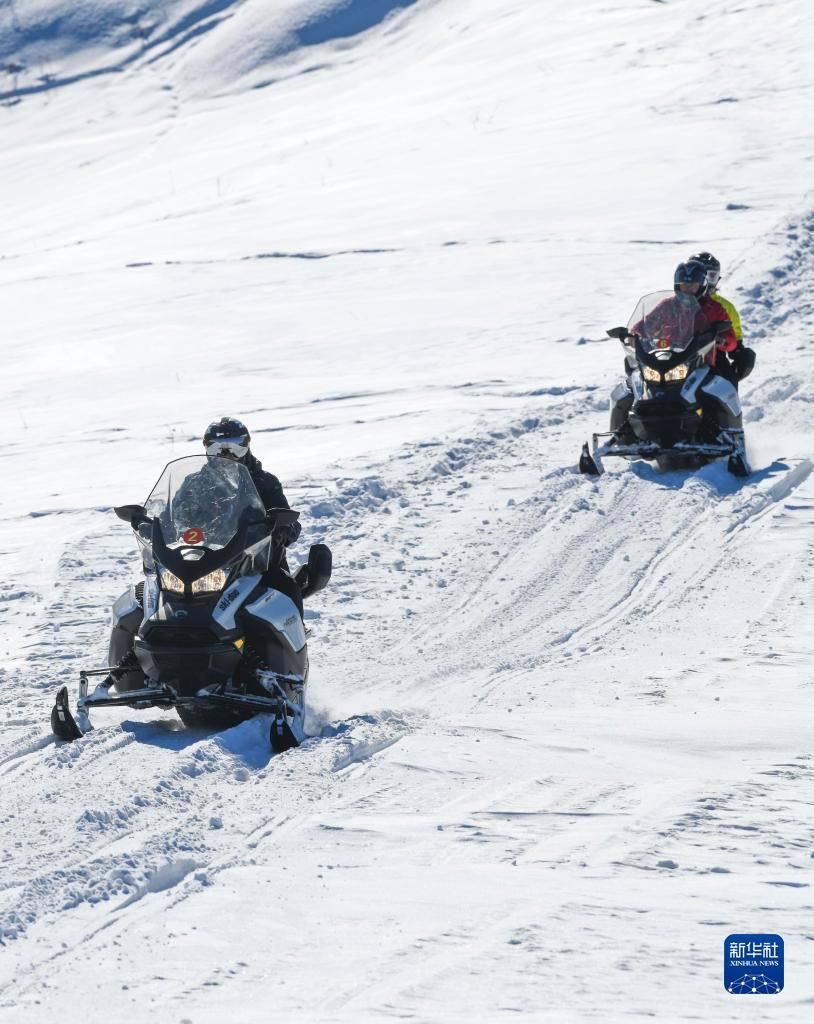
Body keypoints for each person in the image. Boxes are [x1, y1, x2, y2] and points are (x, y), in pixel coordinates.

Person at [203, 416, 304, 615]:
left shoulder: (265, 482)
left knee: (285, 587)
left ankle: (294, 639)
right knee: (154, 590)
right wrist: (151, 523)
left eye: (234, 447)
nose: (225, 454)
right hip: (204, 558)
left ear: (246, 446)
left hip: (256, 561)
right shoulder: (195, 483)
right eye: (216, 447)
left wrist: (283, 528)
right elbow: (173, 514)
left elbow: (290, 521)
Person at [688, 251, 755, 383]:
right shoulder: (675, 303)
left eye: (711, 276)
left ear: (717, 279)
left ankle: (727, 402)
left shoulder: (724, 307)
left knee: (727, 378)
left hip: (711, 357)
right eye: (702, 275)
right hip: (676, 355)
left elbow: (735, 343)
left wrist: (728, 344)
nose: (706, 281)